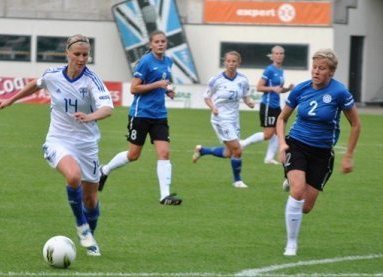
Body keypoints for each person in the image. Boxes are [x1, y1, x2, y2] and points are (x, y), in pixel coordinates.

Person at [0, 34, 113, 256]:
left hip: (87, 144)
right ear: (67, 53)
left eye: (85, 55)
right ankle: (81, 227)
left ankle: (90, 236)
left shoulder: (91, 81)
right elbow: (35, 84)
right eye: (77, 54)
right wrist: (11, 99)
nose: (81, 59)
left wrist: (90, 116)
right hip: (59, 140)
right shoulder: (53, 75)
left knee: (91, 198)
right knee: (73, 177)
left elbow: (107, 108)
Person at [276, 49, 361, 256]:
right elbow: (282, 119)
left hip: (322, 153)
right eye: (314, 67)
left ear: (331, 72)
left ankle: (293, 180)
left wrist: (348, 155)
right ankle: (291, 244)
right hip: (297, 144)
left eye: (321, 68)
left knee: (305, 207)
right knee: (297, 192)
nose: (316, 72)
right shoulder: (301, 89)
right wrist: (281, 144)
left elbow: (356, 124)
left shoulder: (340, 92)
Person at [98, 30, 182, 205]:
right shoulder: (144, 62)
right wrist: (158, 84)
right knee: (133, 155)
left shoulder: (168, 61)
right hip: (140, 114)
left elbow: (162, 81)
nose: (160, 44)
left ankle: (164, 195)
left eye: (163, 41)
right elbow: (134, 89)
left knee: (164, 153)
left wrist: (167, 90)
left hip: (159, 115)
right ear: (150, 44)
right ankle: (104, 170)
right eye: (157, 42)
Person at [191, 51, 255, 188]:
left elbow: (245, 95)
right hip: (220, 118)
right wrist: (213, 107)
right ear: (224, 62)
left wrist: (249, 102)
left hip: (234, 119)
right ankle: (237, 181)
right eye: (229, 61)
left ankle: (202, 151)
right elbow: (207, 97)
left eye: (234, 61)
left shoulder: (243, 79)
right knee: (238, 150)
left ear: (238, 63)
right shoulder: (216, 80)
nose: (231, 64)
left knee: (228, 153)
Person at [241, 45, 294, 164]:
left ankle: (269, 158)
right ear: (272, 56)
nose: (279, 55)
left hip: (276, 105)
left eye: (281, 53)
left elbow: (278, 89)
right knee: (268, 134)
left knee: (278, 131)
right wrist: (272, 89)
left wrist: (288, 89)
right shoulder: (269, 70)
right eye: (277, 53)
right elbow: (259, 87)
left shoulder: (281, 70)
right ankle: (243, 143)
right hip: (268, 105)